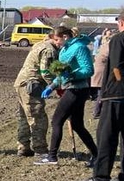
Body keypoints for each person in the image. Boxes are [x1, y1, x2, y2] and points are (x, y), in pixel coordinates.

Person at [35, 25, 97, 165]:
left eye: (57, 39)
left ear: (65, 37)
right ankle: (97, 155)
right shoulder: (65, 49)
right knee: (77, 125)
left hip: (77, 90)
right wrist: (51, 86)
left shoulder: (80, 48)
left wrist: (72, 75)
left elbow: (88, 70)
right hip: (73, 88)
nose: (56, 43)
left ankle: (51, 157)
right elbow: (62, 73)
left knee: (57, 120)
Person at [82, 14, 124, 181]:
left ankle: (101, 176)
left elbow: (116, 66)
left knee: (106, 135)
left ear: (121, 23)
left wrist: (119, 82)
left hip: (116, 94)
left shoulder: (118, 39)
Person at [13, 31, 63, 157]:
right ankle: (40, 149)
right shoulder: (49, 50)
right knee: (38, 117)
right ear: (56, 38)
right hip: (32, 84)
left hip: (22, 83)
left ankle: (23, 146)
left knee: (24, 117)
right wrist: (55, 85)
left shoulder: (40, 45)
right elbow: (45, 71)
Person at [91, 27, 114, 118]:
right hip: (101, 72)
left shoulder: (103, 46)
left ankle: (98, 111)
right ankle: (97, 111)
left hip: (98, 71)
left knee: (101, 92)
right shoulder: (108, 47)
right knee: (101, 93)